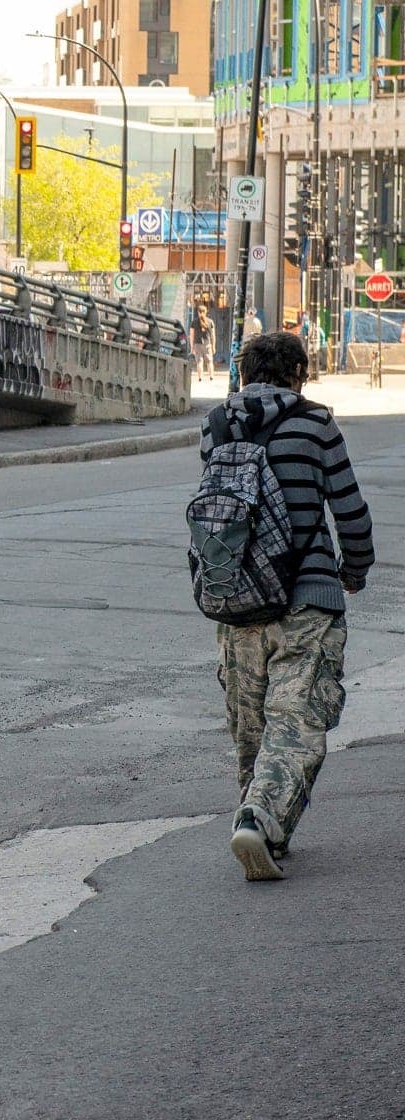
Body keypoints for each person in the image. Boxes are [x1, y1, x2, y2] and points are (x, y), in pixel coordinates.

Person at [206, 331, 376, 880]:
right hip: (306, 598)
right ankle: (261, 817)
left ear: (243, 373)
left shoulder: (217, 427)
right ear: (300, 374)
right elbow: (349, 509)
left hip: (238, 601)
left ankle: (257, 827)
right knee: (295, 719)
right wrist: (354, 570)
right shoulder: (316, 423)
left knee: (250, 723)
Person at [191, 304, 216, 379]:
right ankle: (211, 376)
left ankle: (200, 377)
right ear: (206, 312)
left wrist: (192, 347)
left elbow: (191, 335)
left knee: (199, 362)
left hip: (197, 344)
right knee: (209, 361)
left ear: (198, 312)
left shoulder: (194, 322)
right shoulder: (210, 322)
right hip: (207, 344)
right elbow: (213, 335)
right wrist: (213, 346)